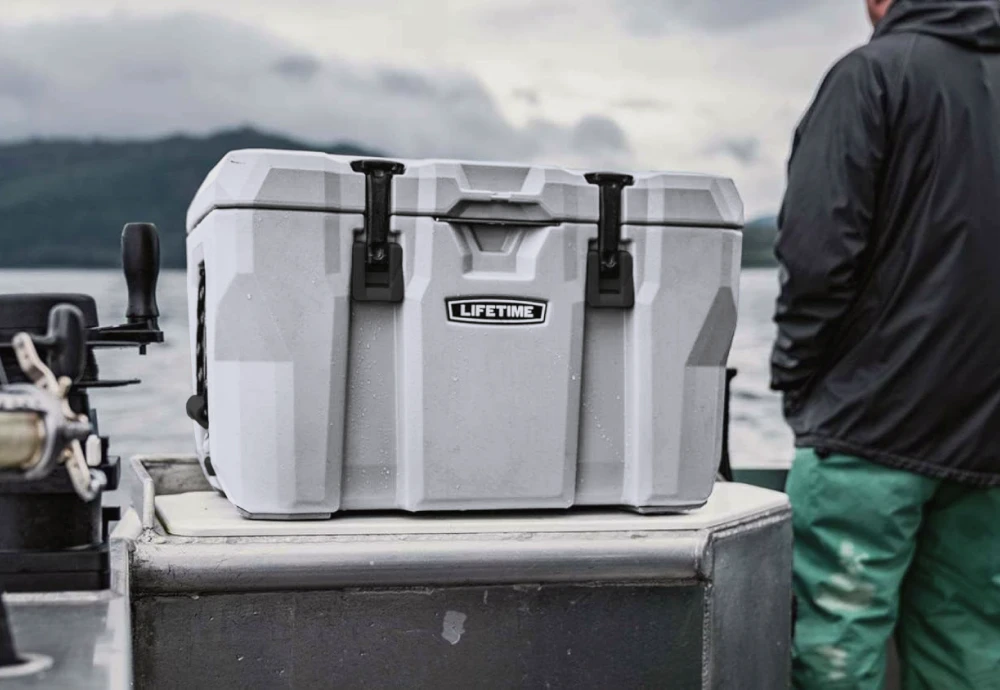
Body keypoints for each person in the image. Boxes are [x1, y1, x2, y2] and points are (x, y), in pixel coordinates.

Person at [771, 0, 1000, 687]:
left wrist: (799, 384)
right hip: (989, 445)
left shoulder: (871, 75)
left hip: (866, 432)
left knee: (838, 651)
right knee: (968, 655)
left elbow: (817, 252)